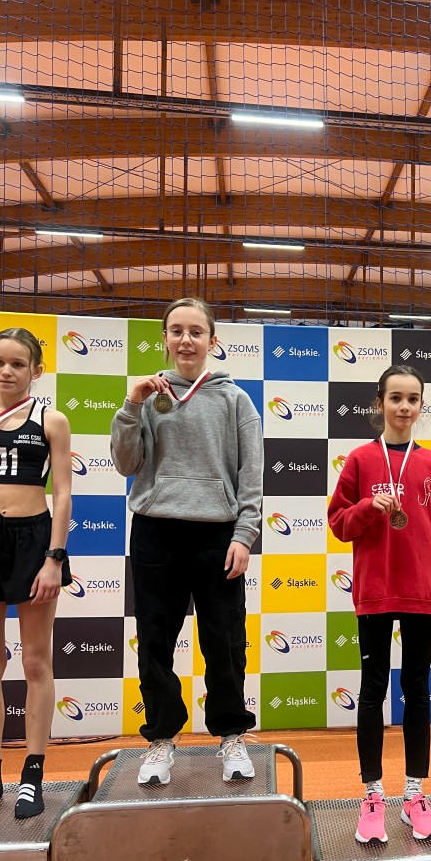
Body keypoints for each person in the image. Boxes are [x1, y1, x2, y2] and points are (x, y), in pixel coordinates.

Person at [111, 297, 263, 786]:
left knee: (225, 641)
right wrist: (131, 405)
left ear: (212, 341)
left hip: (217, 534)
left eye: (196, 331)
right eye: (176, 331)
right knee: (155, 641)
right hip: (156, 531)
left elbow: (251, 476)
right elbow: (125, 464)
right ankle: (160, 739)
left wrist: (244, 534)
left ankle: (231, 735)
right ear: (165, 339)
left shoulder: (235, 400)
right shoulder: (147, 396)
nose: (186, 340)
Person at [328, 364, 431, 845]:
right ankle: (372, 796)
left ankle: (414, 795)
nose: (404, 407)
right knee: (371, 691)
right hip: (376, 593)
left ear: (421, 405)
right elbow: (339, 523)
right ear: (379, 403)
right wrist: (368, 507)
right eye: (396, 398)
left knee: (418, 693)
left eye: (413, 399)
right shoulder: (361, 460)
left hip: (421, 595)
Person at [0, 328, 72, 819]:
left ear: (36, 370)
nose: (7, 371)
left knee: (35, 662)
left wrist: (54, 557)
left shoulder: (51, 419)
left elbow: (63, 493)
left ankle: (32, 775)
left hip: (32, 540)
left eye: (18, 363)